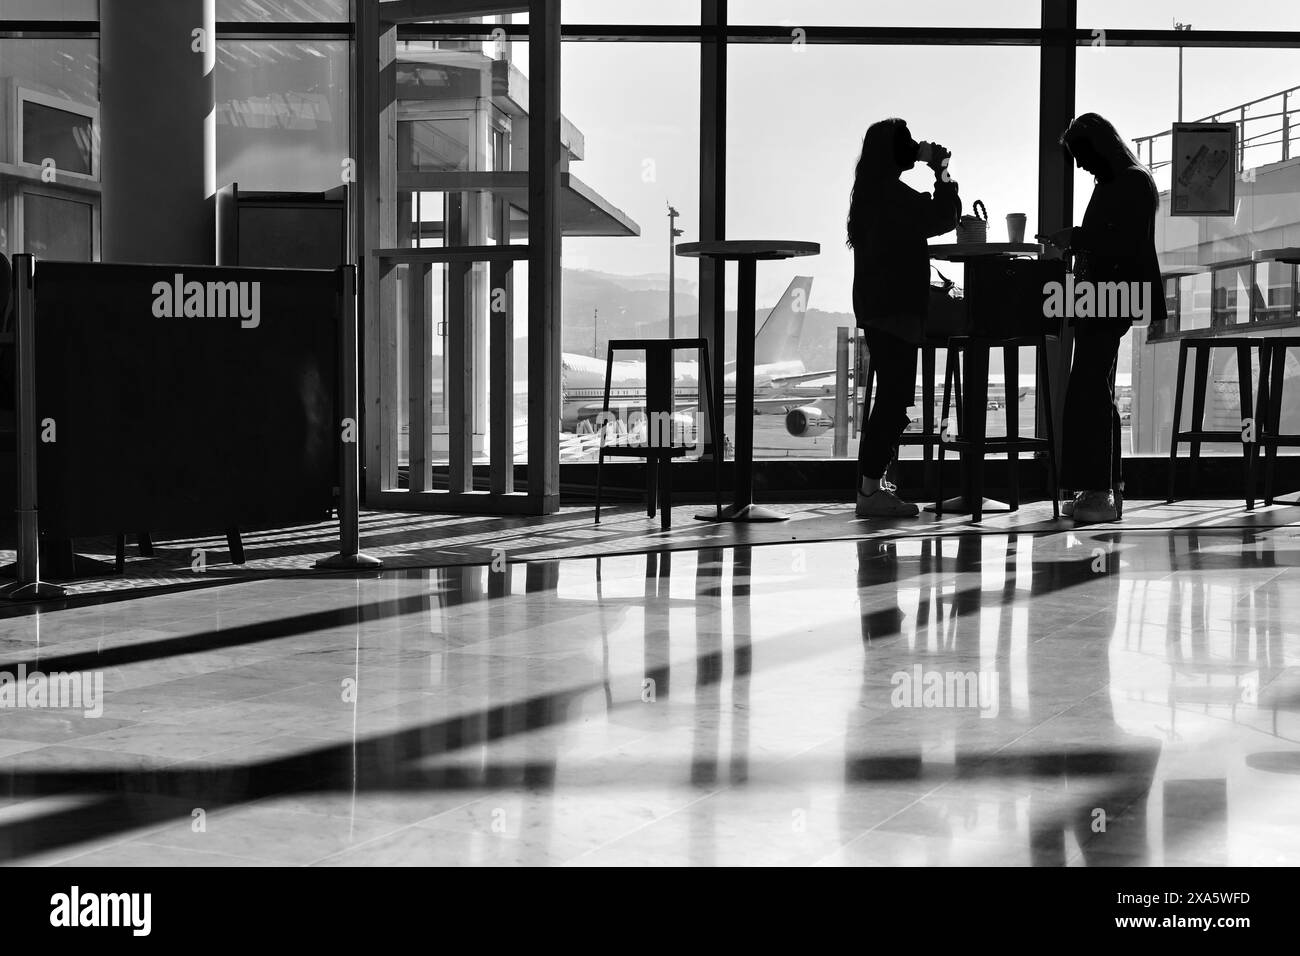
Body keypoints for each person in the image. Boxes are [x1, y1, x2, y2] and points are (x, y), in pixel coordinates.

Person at [1044, 113, 1166, 523]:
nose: (1080, 165)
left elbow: (1118, 241)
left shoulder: (1126, 182)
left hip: (1108, 297)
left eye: (1081, 155)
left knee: (1090, 387)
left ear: (1097, 147)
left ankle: (1098, 490)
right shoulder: (1129, 180)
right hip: (1109, 297)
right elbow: (1129, 242)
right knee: (1094, 388)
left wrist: (1074, 238)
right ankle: (1100, 489)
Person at [847, 118, 961, 517]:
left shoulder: (871, 193)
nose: (914, 145)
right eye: (907, 142)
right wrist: (941, 169)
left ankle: (872, 485)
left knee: (891, 399)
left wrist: (924, 158)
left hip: (878, 307)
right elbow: (943, 217)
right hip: (897, 308)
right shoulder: (892, 196)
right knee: (894, 402)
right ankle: (869, 490)